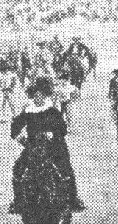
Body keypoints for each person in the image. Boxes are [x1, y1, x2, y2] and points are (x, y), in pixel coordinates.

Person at [9, 77, 85, 214]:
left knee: (65, 168)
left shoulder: (52, 111)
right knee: (18, 168)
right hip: (33, 146)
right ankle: (18, 201)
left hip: (53, 146)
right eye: (35, 95)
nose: (38, 98)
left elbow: (63, 128)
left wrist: (53, 134)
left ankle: (72, 199)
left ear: (45, 95)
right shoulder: (28, 111)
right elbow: (15, 127)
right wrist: (21, 138)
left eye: (41, 95)